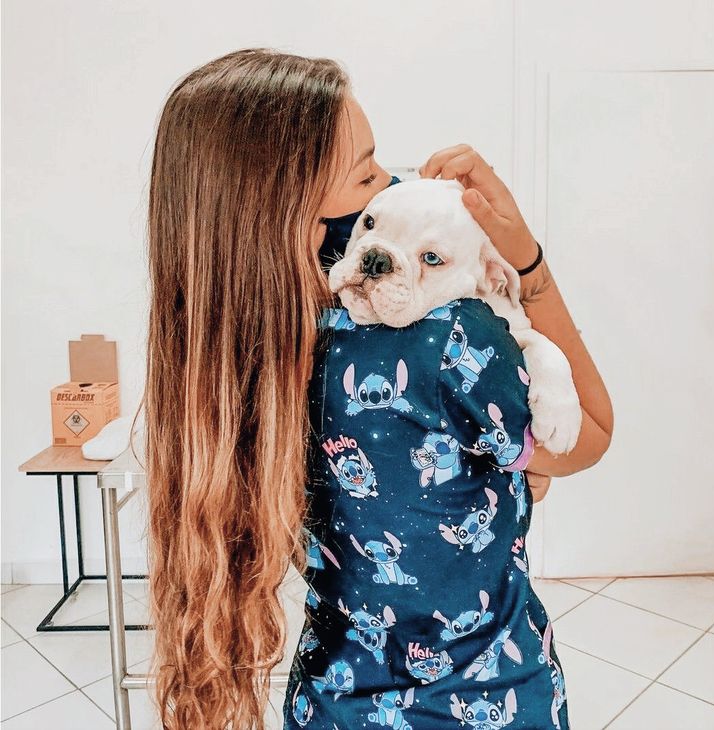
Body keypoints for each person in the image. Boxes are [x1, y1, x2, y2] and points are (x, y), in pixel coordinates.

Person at [140, 47, 613, 730]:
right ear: (286, 205)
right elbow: (588, 434)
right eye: (365, 172)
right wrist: (523, 257)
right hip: (484, 696)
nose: (389, 183)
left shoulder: (224, 360)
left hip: (332, 698)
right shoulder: (448, 340)